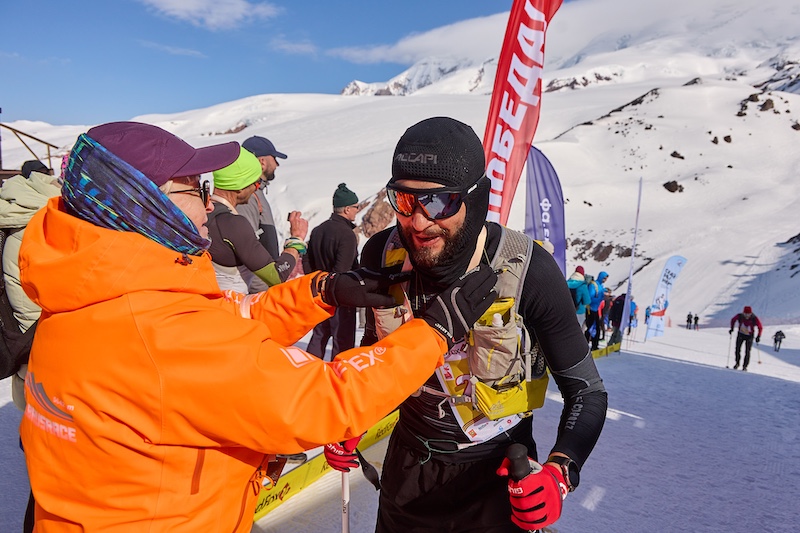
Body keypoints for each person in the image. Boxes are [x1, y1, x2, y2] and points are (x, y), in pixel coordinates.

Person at [17, 121, 500, 532]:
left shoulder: (91, 291)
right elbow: (327, 400)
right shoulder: (158, 335)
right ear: (145, 204)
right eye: (197, 190)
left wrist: (321, 292)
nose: (210, 205)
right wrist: (432, 333)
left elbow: (232, 319)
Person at [325, 117, 607, 532]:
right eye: (405, 200)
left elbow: (586, 390)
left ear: (475, 200)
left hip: (497, 478)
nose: (419, 222)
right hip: (409, 472)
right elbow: (374, 349)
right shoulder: (382, 254)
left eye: (439, 203)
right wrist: (354, 414)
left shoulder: (528, 269)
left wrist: (560, 473)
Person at [0, 167, 61, 533]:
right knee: (47, 481)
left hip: (34, 359)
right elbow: (28, 308)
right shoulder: (31, 228)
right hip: (39, 360)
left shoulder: (20, 218)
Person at [207, 147, 307, 292]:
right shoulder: (234, 224)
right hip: (230, 304)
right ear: (239, 186)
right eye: (256, 183)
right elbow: (275, 275)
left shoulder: (203, 212)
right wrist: (296, 240)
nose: (256, 188)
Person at [303, 183, 361, 359]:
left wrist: (316, 281)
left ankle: (308, 369)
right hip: (341, 297)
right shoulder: (347, 234)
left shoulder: (318, 230)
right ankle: (339, 374)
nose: (357, 210)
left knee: (319, 337)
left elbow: (307, 260)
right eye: (356, 207)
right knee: (342, 343)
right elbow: (342, 270)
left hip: (319, 295)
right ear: (347, 209)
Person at [729, 306, 763, 371]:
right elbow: (733, 320)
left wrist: (758, 336)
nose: (747, 316)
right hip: (741, 334)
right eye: (745, 314)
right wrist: (732, 328)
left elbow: (760, 327)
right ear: (743, 313)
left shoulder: (754, 318)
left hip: (749, 336)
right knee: (737, 349)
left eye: (748, 314)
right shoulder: (740, 316)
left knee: (747, 351)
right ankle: (737, 363)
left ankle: (745, 366)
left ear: (751, 313)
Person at [586, 271, 608, 350]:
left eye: (606, 279)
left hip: (596, 310)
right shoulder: (593, 285)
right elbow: (590, 299)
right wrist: (601, 298)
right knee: (590, 328)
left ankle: (595, 346)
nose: (605, 280)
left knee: (596, 328)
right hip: (590, 309)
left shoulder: (601, 286)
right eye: (604, 278)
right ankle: (585, 345)